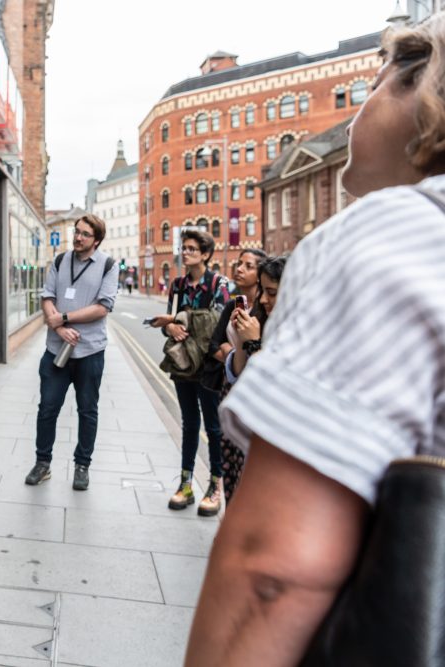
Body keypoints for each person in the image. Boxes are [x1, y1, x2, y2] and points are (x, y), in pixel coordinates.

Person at [186, 17, 445, 665]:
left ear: (426, 93)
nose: (366, 98)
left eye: (377, 78)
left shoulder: (393, 236)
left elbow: (274, 570)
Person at [25, 215, 118, 491]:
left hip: (89, 351)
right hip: (56, 349)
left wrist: (63, 318)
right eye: (76, 232)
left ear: (97, 240)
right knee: (47, 409)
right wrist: (59, 326)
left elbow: (103, 307)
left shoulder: (108, 266)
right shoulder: (59, 260)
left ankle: (82, 466)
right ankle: (43, 464)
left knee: (87, 410)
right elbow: (47, 296)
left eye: (85, 234)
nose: (78, 237)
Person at [150, 230, 228, 516]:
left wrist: (178, 320)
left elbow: (215, 326)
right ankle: (186, 484)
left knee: (214, 427)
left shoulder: (219, 284)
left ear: (206, 254)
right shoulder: (178, 285)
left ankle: (215, 486)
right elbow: (167, 321)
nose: (186, 253)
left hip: (208, 366)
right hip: (183, 364)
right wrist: (169, 327)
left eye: (193, 249)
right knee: (189, 424)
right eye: (184, 248)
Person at [206, 249, 267, 501]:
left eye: (248, 266)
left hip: (254, 393)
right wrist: (234, 357)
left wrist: (236, 353)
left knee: (249, 463)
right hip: (229, 389)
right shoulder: (234, 303)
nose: (239, 269)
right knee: (227, 451)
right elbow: (214, 345)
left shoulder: (266, 311)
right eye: (239, 264)